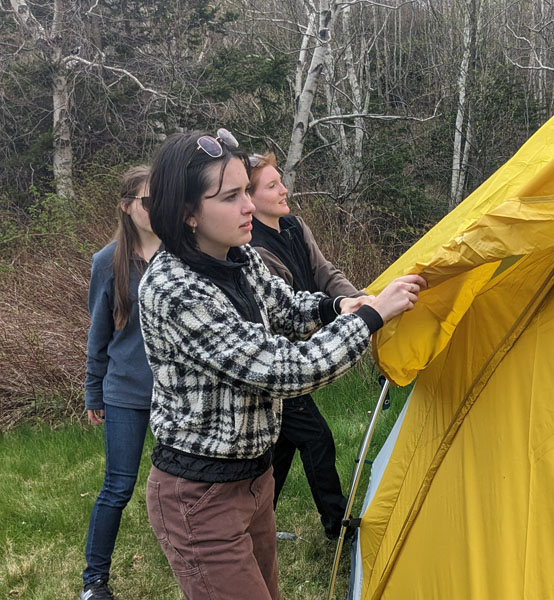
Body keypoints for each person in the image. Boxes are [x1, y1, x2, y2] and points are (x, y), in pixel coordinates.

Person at [138, 129, 424, 600]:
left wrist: (340, 308)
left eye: (247, 192)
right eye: (230, 196)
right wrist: (371, 318)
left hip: (254, 479)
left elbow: (287, 307)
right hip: (199, 496)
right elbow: (284, 370)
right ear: (187, 213)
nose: (249, 207)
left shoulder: (239, 256)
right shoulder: (174, 290)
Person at [247, 152, 363, 540]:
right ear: (250, 197)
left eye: (281, 181)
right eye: (272, 185)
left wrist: (360, 303)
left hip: (306, 347)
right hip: (282, 362)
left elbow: (326, 274)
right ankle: (338, 525)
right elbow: (289, 306)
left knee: (282, 447)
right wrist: (351, 323)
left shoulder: (294, 226)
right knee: (316, 438)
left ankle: (256, 525)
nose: (284, 190)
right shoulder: (254, 249)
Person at [80, 166, 160, 600]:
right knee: (119, 485)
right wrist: (94, 391)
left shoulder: (182, 255)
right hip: (125, 392)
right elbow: (99, 332)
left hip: (175, 392)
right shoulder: (107, 262)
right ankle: (94, 580)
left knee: (181, 485)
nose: (156, 208)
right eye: (148, 201)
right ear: (128, 207)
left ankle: (191, 552)